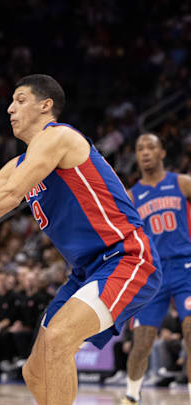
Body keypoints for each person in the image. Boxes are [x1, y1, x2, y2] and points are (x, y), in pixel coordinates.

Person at [0, 74, 162, 405]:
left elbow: (11, 196)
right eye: (10, 102)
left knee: (58, 339)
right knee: (34, 372)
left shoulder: (59, 137)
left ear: (46, 105)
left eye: (20, 100)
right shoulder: (19, 164)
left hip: (127, 256)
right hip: (86, 271)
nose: (10, 108)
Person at [122, 133, 191, 405]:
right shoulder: (130, 196)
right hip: (152, 273)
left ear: (162, 152)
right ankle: (131, 395)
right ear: (137, 156)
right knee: (142, 340)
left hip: (185, 267)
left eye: (151, 146)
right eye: (140, 148)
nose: (145, 152)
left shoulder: (182, 183)